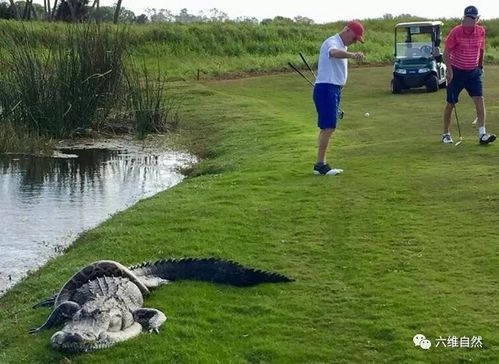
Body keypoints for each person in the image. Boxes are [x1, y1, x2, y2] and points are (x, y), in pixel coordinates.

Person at [312, 21, 364, 175]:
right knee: (328, 127)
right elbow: (333, 53)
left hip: (332, 88)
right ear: (347, 30)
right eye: (355, 38)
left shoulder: (343, 46)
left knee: (328, 127)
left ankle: (320, 164)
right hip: (327, 88)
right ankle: (320, 165)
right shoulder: (332, 42)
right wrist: (353, 55)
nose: (354, 42)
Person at [441, 5, 496, 145]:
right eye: (468, 17)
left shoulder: (480, 31)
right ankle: (446, 134)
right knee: (451, 103)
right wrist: (449, 70)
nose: (471, 20)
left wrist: (480, 66)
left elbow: (481, 49)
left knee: (479, 99)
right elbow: (446, 52)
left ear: (477, 19)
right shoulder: (456, 32)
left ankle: (482, 134)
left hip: (473, 72)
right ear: (464, 17)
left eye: (473, 18)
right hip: (457, 71)